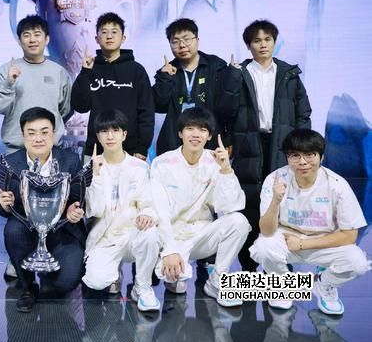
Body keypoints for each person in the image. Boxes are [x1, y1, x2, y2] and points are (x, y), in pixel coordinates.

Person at [220, 20, 312, 272]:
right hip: (248, 143)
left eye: (267, 39)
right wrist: (231, 77)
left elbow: (303, 113)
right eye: (257, 40)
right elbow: (224, 111)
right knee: (249, 202)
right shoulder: (239, 72)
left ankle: (281, 264)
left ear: (274, 42)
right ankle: (248, 265)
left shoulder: (289, 75)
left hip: (282, 144)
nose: (262, 45)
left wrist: (299, 145)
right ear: (248, 45)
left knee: (282, 202)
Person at [250, 129, 370, 314]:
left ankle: (324, 284)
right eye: (295, 155)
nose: (302, 162)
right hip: (286, 238)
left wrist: (302, 244)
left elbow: (350, 236)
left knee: (358, 263)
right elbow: (266, 231)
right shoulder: (275, 180)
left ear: (321, 157)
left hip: (322, 241)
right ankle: (284, 285)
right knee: (263, 247)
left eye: (309, 155)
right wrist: (275, 200)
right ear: (287, 158)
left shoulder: (337, 185)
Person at [150, 107, 250, 307]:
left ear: (210, 135)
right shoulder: (162, 163)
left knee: (239, 222)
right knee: (174, 279)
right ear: (180, 133)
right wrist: (170, 250)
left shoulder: (216, 161)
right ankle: (176, 271)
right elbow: (158, 211)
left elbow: (231, 206)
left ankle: (217, 280)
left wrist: (226, 170)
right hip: (172, 235)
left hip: (201, 235)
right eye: (190, 128)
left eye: (202, 130)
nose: (196, 134)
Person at [0, 107, 86, 312]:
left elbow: (79, 199)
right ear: (23, 135)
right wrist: (4, 204)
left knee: (65, 283)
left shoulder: (70, 160)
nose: (38, 139)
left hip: (62, 230)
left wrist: (74, 209)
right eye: (32, 133)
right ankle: (28, 286)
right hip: (26, 229)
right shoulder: (10, 163)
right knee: (12, 231)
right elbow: (1, 208)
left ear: (53, 133)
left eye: (44, 132)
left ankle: (49, 272)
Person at [82, 109, 165, 312]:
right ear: (98, 136)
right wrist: (96, 176)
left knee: (151, 234)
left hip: (131, 234)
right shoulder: (91, 168)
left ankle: (142, 286)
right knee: (96, 281)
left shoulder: (140, 167)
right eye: (104, 131)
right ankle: (113, 273)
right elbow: (94, 211)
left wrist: (147, 214)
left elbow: (149, 202)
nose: (110, 136)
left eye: (115, 130)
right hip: (105, 237)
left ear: (124, 134)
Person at [70, 12, 154, 161]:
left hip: (131, 150)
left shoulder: (136, 70)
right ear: (96, 39)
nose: (109, 36)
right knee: (93, 178)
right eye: (104, 32)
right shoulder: (90, 68)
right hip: (96, 149)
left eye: (114, 32)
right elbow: (80, 106)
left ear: (123, 38)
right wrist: (85, 72)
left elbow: (146, 111)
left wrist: (142, 147)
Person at [0, 15, 73, 154]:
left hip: (51, 150)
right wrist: (8, 84)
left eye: (37, 34)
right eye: (26, 35)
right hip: (16, 150)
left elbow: (65, 110)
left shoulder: (59, 72)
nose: (32, 40)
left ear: (47, 39)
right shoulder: (6, 70)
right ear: (19, 41)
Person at [153, 18, 230, 155]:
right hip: (174, 141)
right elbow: (159, 105)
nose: (182, 45)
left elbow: (228, 106)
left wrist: (228, 139)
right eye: (175, 42)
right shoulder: (168, 71)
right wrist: (165, 78)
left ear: (197, 40)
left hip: (210, 140)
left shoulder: (216, 66)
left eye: (187, 39)